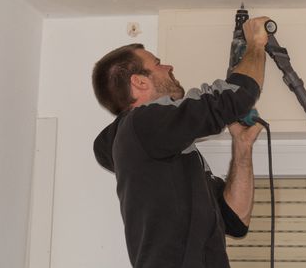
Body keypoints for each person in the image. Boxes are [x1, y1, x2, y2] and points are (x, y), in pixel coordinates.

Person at [91, 17, 270, 268]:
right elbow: (234, 97)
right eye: (158, 64)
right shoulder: (143, 124)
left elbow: (235, 220)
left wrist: (242, 147)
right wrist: (255, 44)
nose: (168, 66)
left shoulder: (168, 155)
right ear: (139, 82)